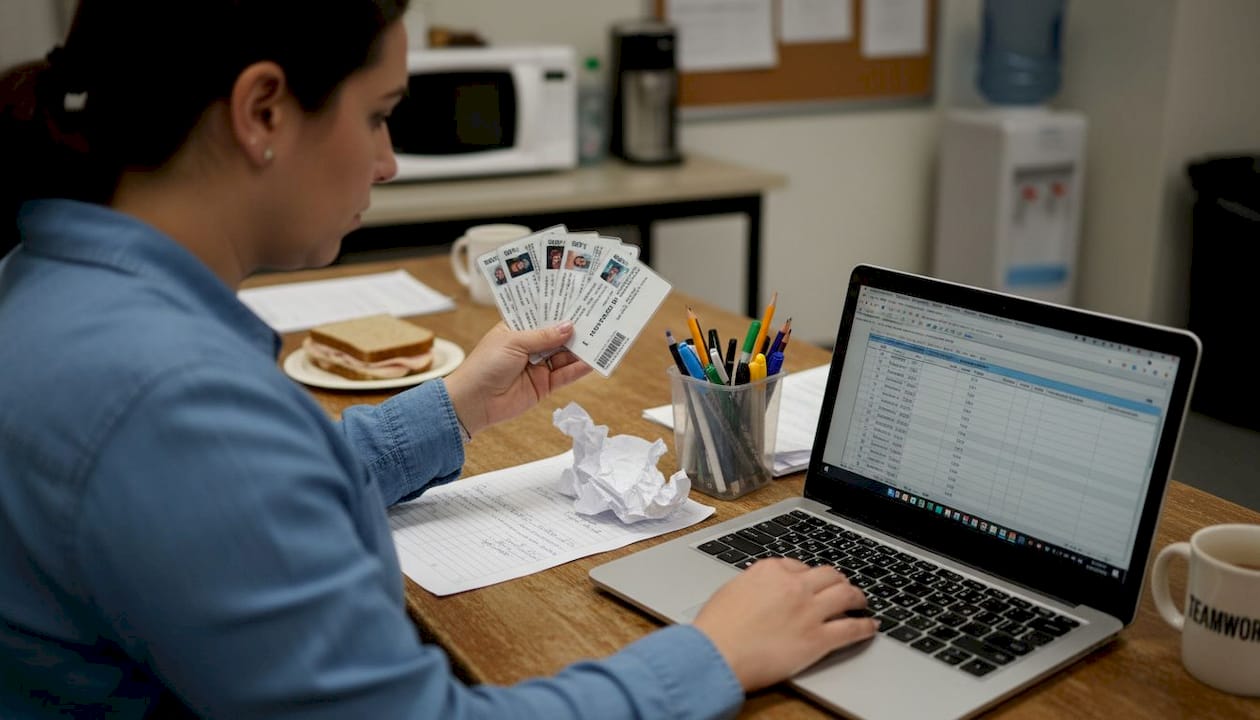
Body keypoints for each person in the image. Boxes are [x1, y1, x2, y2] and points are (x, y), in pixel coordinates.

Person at [0, 2, 876, 718]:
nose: (387, 163)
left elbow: (226, 504)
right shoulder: (170, 396)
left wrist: (451, 408)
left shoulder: (57, 290)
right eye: (380, 116)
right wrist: (712, 652)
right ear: (263, 111)